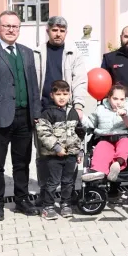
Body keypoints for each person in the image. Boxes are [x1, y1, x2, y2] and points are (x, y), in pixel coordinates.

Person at [0, 10, 42, 221]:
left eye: (15, 26)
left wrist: (36, 113)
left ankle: (21, 200)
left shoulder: (27, 52)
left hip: (24, 117)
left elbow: (33, 85)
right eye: (7, 26)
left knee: (22, 162)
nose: (11, 30)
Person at [35, 80, 84, 220]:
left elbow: (79, 134)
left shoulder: (74, 112)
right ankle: (48, 206)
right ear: (52, 95)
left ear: (70, 95)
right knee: (52, 182)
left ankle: (65, 204)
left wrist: (80, 151)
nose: (62, 97)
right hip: (54, 156)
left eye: (65, 94)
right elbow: (44, 133)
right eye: (58, 94)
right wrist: (56, 147)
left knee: (68, 181)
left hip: (71, 155)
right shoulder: (47, 113)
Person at [80, 84, 128, 182]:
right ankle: (98, 171)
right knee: (101, 149)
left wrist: (125, 114)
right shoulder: (100, 109)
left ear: (125, 99)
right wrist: (82, 118)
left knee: (124, 146)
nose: (118, 102)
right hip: (106, 137)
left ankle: (117, 164)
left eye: (122, 99)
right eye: (115, 99)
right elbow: (91, 123)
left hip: (124, 136)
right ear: (109, 98)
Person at [33, 16, 87, 113]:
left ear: (66, 32)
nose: (58, 34)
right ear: (47, 31)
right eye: (54, 30)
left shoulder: (74, 54)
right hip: (42, 109)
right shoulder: (36, 53)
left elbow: (80, 81)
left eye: (62, 31)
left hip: (66, 109)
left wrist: (78, 106)